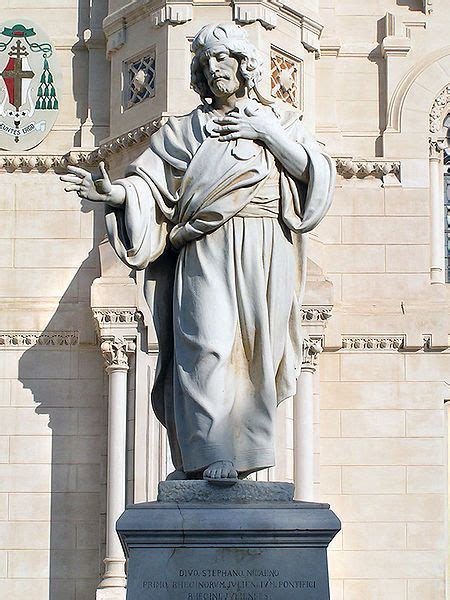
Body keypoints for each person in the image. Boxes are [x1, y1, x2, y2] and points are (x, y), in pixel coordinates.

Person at [60, 23, 335, 485]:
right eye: (206, 64)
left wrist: (267, 133)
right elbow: (149, 186)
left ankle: (245, 453)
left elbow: (315, 177)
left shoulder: (280, 121)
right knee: (206, 346)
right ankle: (209, 452)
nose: (215, 70)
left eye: (223, 59)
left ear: (244, 66)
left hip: (265, 248)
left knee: (253, 356)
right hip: (203, 251)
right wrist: (117, 195)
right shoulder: (183, 131)